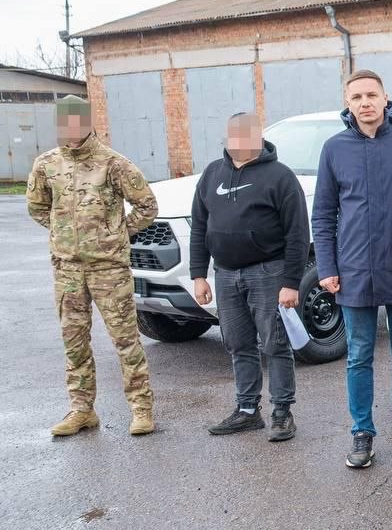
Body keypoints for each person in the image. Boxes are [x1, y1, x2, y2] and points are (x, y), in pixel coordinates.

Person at [312, 69, 392, 469]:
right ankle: (362, 432)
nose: (365, 103)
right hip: (353, 271)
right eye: (357, 97)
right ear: (347, 103)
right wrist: (327, 266)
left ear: (385, 99)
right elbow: (323, 214)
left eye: (371, 95)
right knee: (359, 355)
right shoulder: (334, 149)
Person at [27, 95, 158, 437]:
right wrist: (63, 233)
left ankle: (141, 409)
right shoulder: (46, 164)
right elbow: (38, 207)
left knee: (125, 340)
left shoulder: (113, 163)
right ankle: (82, 410)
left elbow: (147, 206)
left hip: (109, 269)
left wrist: (115, 233)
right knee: (74, 342)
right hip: (67, 271)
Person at [189, 112, 308, 442]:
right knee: (238, 344)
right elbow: (200, 225)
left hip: (268, 273)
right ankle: (246, 411)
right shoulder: (212, 173)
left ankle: (282, 412)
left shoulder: (280, 177)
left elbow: (298, 233)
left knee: (275, 344)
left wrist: (291, 282)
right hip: (225, 275)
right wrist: (198, 275)